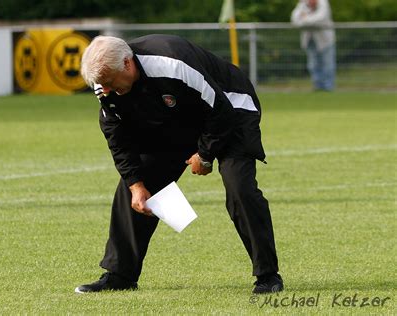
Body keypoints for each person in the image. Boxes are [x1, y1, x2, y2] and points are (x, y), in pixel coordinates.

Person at [76, 34, 283, 294]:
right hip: (176, 117)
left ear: (128, 64)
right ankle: (120, 275)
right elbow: (117, 137)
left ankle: (268, 276)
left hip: (231, 108)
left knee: (239, 187)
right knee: (137, 185)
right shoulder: (105, 86)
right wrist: (136, 184)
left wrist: (204, 155)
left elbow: (220, 111)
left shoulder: (171, 64)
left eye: (109, 82)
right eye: (100, 84)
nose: (104, 89)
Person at [291, 0, 336, 91]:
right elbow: (294, 19)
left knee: (327, 65)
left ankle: (328, 87)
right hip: (310, 40)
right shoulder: (303, 4)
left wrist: (305, 18)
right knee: (313, 65)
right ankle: (318, 86)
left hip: (325, 40)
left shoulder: (323, 3)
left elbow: (320, 18)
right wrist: (309, 19)